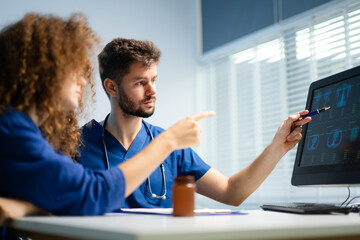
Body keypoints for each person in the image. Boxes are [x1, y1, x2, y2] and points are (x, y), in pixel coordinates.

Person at [0, 12, 213, 220]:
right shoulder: (11, 129)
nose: (83, 82)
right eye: (73, 70)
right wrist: (168, 141)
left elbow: (65, 198)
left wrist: (25, 208)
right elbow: (91, 193)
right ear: (44, 72)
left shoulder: (25, 129)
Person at [77, 38, 311, 208]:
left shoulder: (170, 145)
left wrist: (277, 148)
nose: (152, 91)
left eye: (154, 80)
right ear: (111, 87)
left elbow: (232, 192)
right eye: (140, 83)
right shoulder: (76, 144)